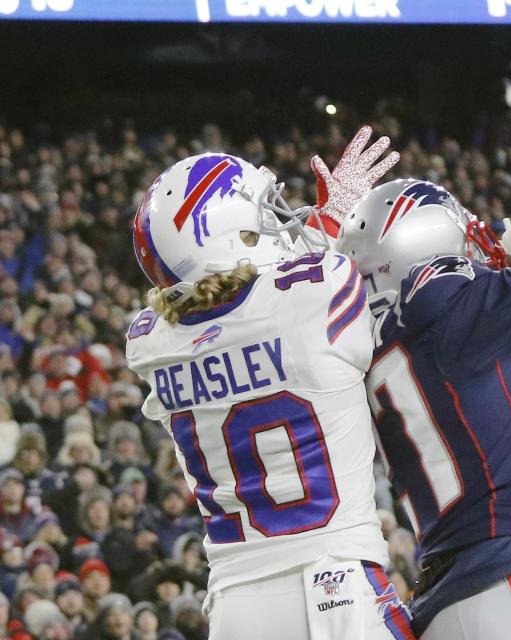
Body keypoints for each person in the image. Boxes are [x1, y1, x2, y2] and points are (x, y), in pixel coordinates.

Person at [124, 129, 413, 639]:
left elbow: (235, 318)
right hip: (337, 588)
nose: (279, 222)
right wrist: (333, 219)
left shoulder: (150, 342)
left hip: (236, 603)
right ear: (228, 235)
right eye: (261, 218)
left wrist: (322, 229)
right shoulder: (320, 290)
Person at [337, 128, 511, 638]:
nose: (477, 249)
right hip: (499, 581)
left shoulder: (412, 339)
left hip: (491, 578)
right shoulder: (446, 314)